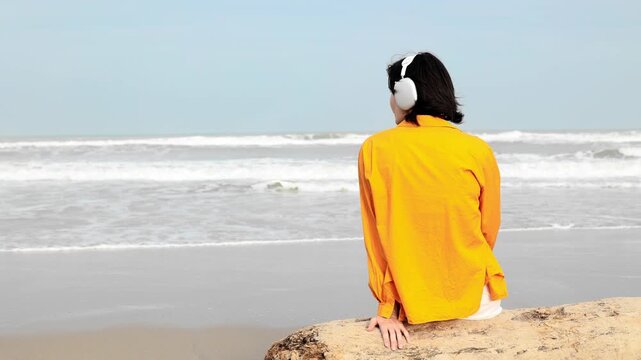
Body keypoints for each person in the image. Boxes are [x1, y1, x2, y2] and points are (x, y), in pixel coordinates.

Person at [358, 51, 509, 351]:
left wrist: (387, 309)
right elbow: (487, 231)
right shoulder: (477, 150)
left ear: (404, 94)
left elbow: (377, 241)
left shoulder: (375, 149)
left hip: (413, 311)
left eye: (392, 92)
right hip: (479, 305)